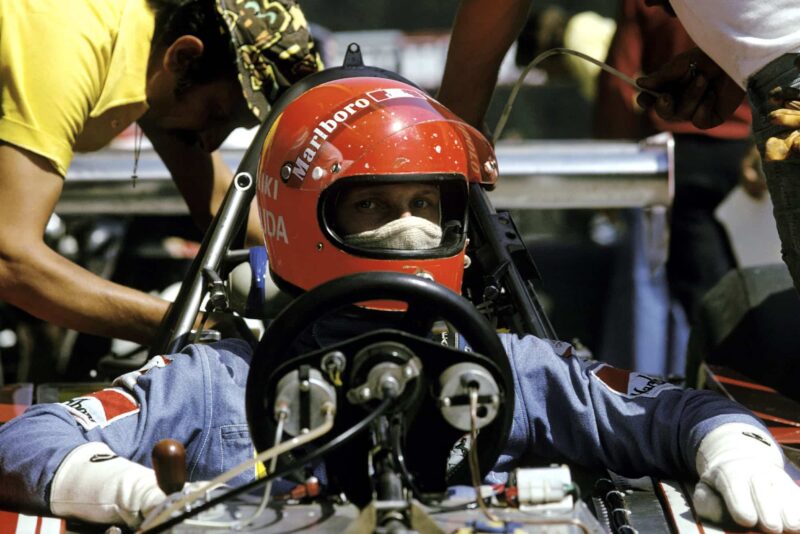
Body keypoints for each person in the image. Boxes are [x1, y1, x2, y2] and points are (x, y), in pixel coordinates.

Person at [0, 75, 798, 533]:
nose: (411, 224)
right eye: (376, 207)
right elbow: (31, 435)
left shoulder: (515, 368)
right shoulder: (217, 379)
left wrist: (734, 446)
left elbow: (675, 412)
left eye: (426, 201)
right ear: (306, 215)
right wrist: (128, 491)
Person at [0, 0, 322, 347]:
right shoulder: (69, 44)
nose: (212, 142)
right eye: (217, 115)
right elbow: (11, 261)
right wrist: (191, 326)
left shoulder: (152, 56)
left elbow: (221, 207)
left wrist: (334, 282)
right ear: (183, 56)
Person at [593, 0, 756, 326]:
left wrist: (611, 172)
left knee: (701, 290)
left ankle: (725, 366)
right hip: (750, 150)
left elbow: (619, 85)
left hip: (680, 157)